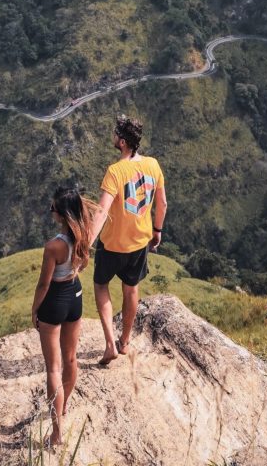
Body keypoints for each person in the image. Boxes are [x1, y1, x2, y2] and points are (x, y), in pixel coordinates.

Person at [88, 114, 167, 365]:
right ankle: (124, 342)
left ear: (122, 142)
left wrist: (85, 244)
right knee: (131, 289)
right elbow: (162, 203)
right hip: (140, 243)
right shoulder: (153, 165)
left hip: (112, 244)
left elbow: (101, 211)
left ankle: (110, 343)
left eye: (114, 134)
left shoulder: (115, 172)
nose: (112, 137)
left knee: (101, 285)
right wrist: (157, 231)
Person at [31, 186, 98, 447]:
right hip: (75, 294)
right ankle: (65, 404)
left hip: (55, 300)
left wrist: (35, 309)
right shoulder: (84, 235)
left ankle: (57, 433)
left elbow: (43, 285)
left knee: (53, 369)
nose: (51, 212)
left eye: (52, 208)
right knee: (71, 358)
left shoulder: (53, 246)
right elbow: (85, 264)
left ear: (61, 214)